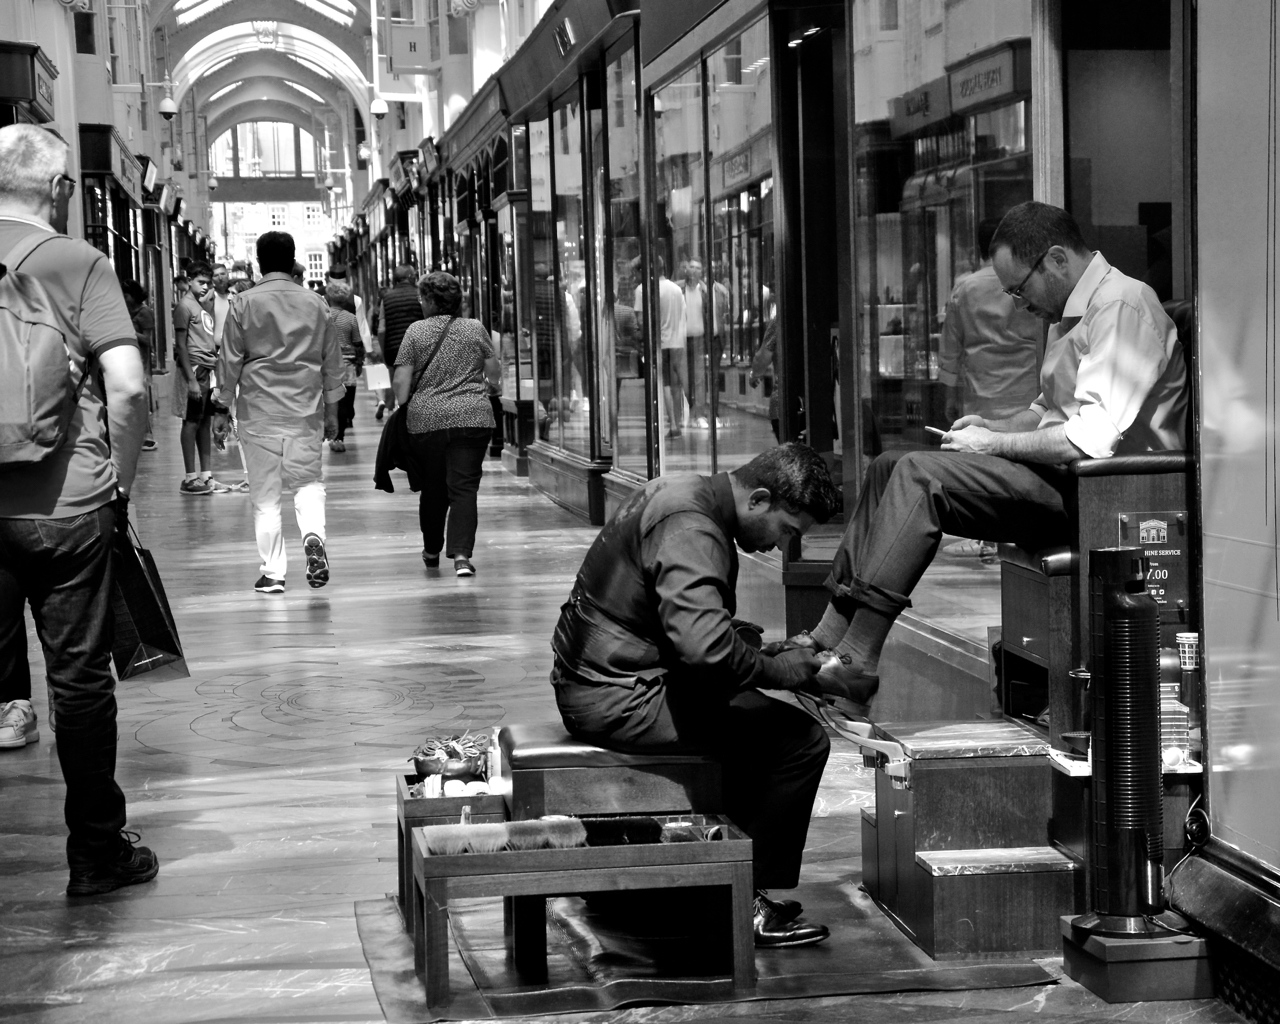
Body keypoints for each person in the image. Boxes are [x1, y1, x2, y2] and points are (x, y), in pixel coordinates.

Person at [773, 201, 1188, 726]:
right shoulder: (1074, 313)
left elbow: (1090, 438)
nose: (1018, 305)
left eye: (1019, 290)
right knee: (887, 468)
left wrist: (992, 447)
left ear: (1056, 260)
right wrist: (991, 429)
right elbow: (1045, 414)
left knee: (919, 477)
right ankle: (828, 637)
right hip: (1065, 480)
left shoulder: (1123, 307)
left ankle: (857, 660)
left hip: (1108, 496)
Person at [550, 443, 842, 947]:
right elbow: (706, 653)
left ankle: (715, 876)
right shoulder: (694, 529)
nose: (779, 546)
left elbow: (686, 632)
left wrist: (764, 654)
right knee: (797, 741)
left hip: (603, 677)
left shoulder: (684, 492)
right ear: (759, 499)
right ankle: (737, 897)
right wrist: (784, 670)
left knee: (752, 715)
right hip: (615, 696)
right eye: (786, 530)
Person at [0, 123, 157, 895]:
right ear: (58, 189)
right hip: (67, 502)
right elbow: (126, 386)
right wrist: (121, 482)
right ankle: (97, 851)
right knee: (79, 679)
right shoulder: (76, 261)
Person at [211, 231, 344, 594]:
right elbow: (332, 363)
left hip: (258, 412)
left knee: (265, 494)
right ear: (293, 260)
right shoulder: (317, 303)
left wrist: (221, 409)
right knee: (307, 481)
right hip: (305, 410)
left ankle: (273, 573)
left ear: (259, 262)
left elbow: (229, 361)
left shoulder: (243, 303)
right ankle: (313, 535)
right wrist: (332, 413)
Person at [937, 217, 1045, 563]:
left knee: (984, 466)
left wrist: (948, 393)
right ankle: (1013, 537)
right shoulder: (1034, 286)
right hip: (1028, 386)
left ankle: (989, 537)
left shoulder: (966, 288)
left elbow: (951, 349)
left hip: (983, 387)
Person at [392, 271, 500, 578]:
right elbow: (494, 373)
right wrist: (487, 387)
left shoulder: (416, 332)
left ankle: (431, 550)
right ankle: (462, 556)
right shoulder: (475, 328)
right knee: (464, 488)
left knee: (434, 488)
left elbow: (401, 385)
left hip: (428, 421)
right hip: (473, 418)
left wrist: (409, 403)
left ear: (427, 300)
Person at [172, 259, 230, 494]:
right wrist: (192, 380)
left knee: (204, 422)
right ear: (189, 281)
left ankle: (205, 476)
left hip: (207, 369)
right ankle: (189, 477)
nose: (206, 287)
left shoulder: (199, 305)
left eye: (208, 283)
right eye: (201, 282)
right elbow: (181, 346)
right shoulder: (184, 307)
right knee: (191, 421)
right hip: (194, 370)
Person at [635, 254, 686, 438]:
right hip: (677, 341)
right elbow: (683, 314)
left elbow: (641, 321)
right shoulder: (676, 289)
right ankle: (679, 420)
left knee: (664, 383)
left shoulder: (643, 290)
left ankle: (673, 423)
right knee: (676, 383)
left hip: (660, 342)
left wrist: (644, 340)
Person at [374, 264, 422, 421]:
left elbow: (381, 329)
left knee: (396, 380)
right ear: (410, 277)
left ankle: (394, 413)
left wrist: (384, 350)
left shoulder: (386, 298)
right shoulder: (420, 295)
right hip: (418, 346)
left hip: (394, 349)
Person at [324, 280, 364, 452]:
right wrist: (360, 363)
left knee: (332, 400)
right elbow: (358, 343)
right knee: (346, 403)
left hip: (328, 365)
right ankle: (339, 437)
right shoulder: (351, 318)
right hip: (348, 366)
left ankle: (331, 435)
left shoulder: (322, 317)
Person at [122, 281, 157, 452]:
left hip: (140, 361)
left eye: (126, 295)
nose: (124, 298)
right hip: (125, 360)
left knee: (140, 399)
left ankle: (147, 435)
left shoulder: (144, 312)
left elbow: (148, 340)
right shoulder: (123, 311)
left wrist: (129, 331)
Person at [683, 259, 711, 428]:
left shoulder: (706, 291)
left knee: (699, 379)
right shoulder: (679, 289)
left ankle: (699, 414)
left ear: (702, 271)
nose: (694, 270)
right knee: (685, 379)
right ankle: (689, 410)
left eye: (697, 268)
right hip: (683, 339)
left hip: (700, 338)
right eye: (691, 266)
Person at [205, 262, 233, 351]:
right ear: (211, 279)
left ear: (228, 274)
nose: (220, 278)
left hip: (236, 349)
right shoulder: (208, 298)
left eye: (223, 274)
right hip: (216, 349)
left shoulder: (236, 295)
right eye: (216, 275)